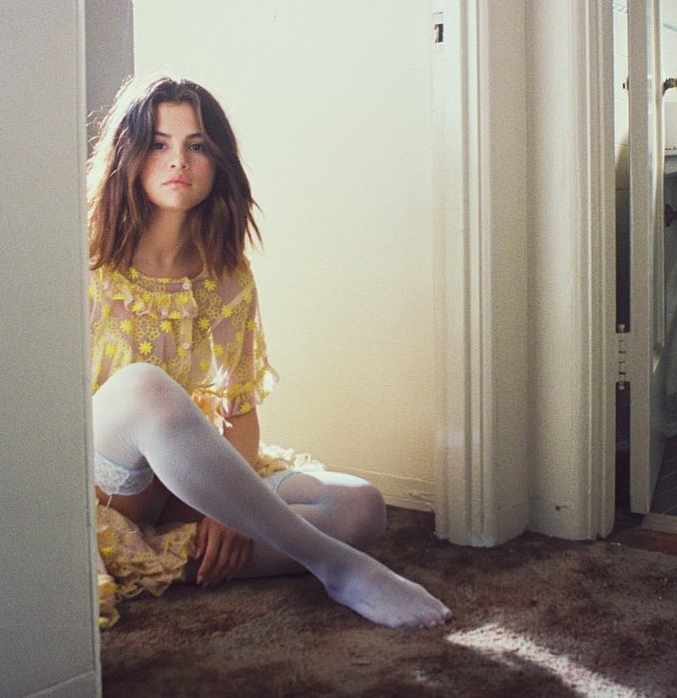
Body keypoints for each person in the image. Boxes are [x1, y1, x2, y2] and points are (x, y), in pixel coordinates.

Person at [86, 75, 450, 629]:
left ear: (218, 162)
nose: (178, 160)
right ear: (128, 156)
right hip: (102, 483)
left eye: (196, 145)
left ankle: (157, 559)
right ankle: (340, 569)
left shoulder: (227, 275)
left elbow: (239, 410)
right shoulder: (85, 260)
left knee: (361, 506)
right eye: (159, 144)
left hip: (180, 487)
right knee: (145, 386)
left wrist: (226, 512)